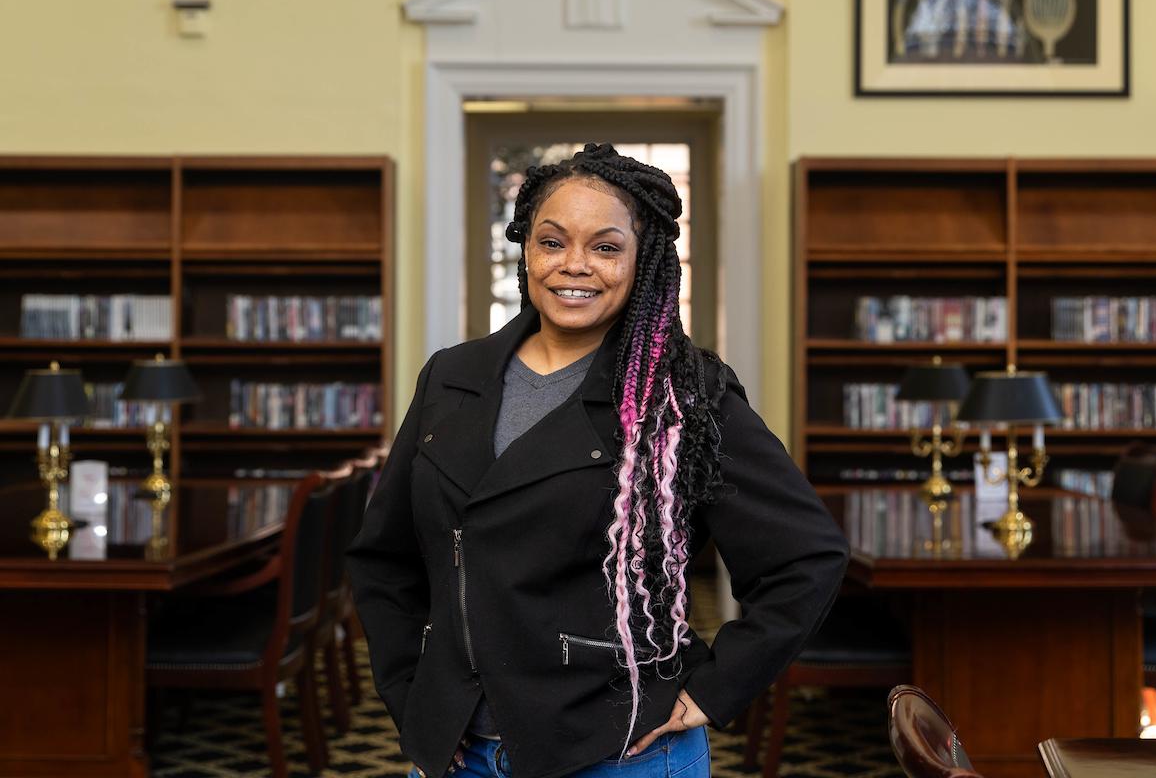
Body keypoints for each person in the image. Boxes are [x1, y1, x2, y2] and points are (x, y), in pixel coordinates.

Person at [346, 143, 849, 778]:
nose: (573, 266)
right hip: (456, 750)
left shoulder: (683, 392)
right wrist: (411, 697)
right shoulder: (451, 376)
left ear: (643, 264)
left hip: (616, 748)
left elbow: (806, 557)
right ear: (525, 249)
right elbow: (384, 559)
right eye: (552, 242)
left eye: (606, 248)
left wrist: (714, 690)